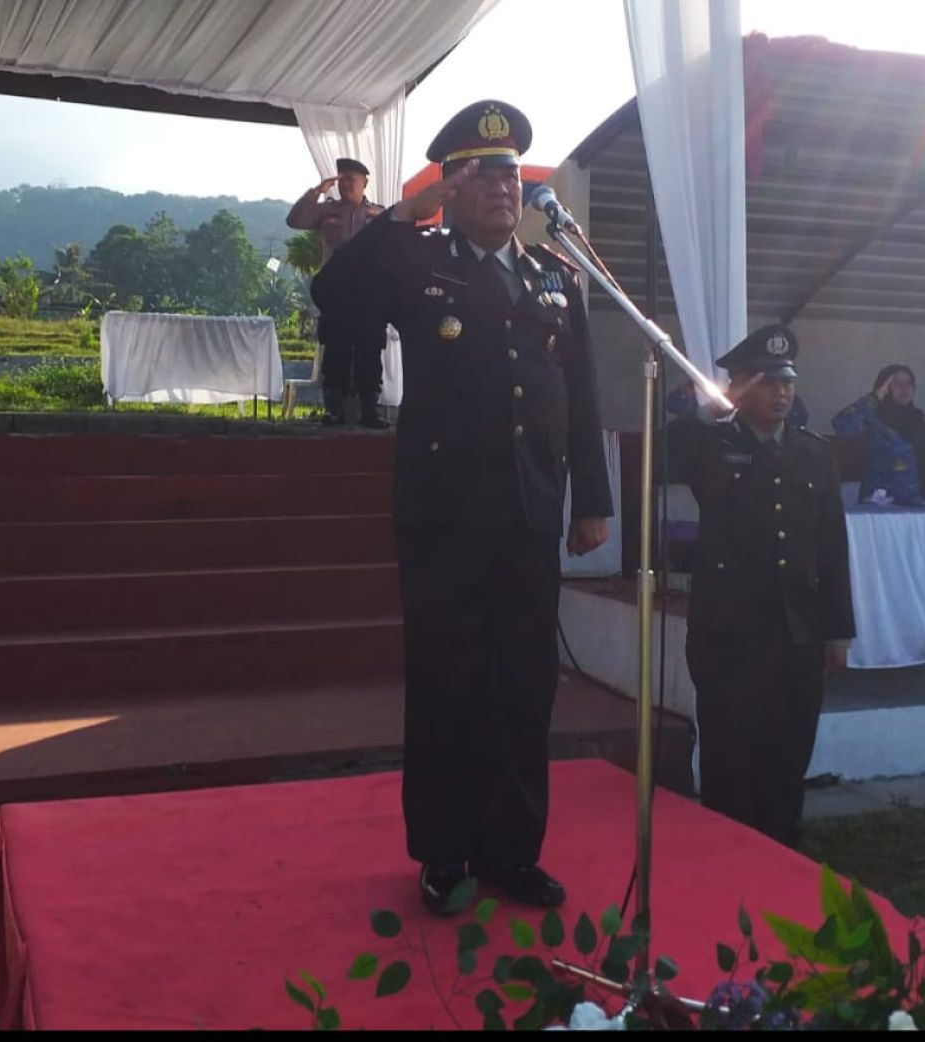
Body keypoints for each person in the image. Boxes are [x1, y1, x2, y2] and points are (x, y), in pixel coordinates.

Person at [310, 100, 613, 915]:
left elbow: (580, 396)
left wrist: (592, 500)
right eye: (482, 175)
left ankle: (511, 852)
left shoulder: (554, 276)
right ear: (451, 188)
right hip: (445, 514)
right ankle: (445, 854)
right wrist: (403, 214)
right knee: (448, 683)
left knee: (523, 686)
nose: (503, 188)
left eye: (511, 174)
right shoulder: (418, 263)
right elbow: (334, 294)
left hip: (529, 510)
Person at [665, 324, 854, 849]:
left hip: (796, 628)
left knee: (788, 751)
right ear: (742, 387)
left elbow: (831, 546)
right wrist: (708, 411)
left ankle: (783, 851)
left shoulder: (814, 452)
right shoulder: (712, 445)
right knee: (730, 752)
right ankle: (729, 853)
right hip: (730, 630)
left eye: (787, 382)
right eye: (768, 382)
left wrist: (838, 630)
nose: (781, 392)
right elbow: (663, 456)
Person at [286, 157, 388, 428]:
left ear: (364, 183)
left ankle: (370, 410)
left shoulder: (378, 214)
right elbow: (294, 220)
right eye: (341, 181)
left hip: (369, 290)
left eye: (351, 180)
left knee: (369, 350)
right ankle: (334, 409)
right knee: (336, 349)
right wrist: (317, 191)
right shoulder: (327, 211)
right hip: (336, 287)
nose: (345, 185)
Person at [832, 364, 925, 505]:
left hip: (920, 504)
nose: (904, 388)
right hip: (881, 504)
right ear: (885, 387)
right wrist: (874, 398)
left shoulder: (923, 421)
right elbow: (842, 425)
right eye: (897, 383)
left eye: (908, 383)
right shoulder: (872, 418)